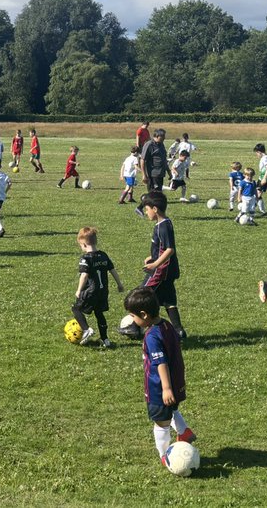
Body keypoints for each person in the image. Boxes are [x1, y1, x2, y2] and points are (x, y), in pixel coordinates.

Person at [123, 287, 197, 466]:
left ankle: (165, 456)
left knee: (161, 422)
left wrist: (165, 388)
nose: (132, 320)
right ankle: (184, 431)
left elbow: (160, 362)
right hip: (177, 379)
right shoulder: (166, 325)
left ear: (144, 314)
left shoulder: (152, 336)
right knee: (171, 409)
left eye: (133, 316)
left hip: (159, 388)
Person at [139, 191, 187, 338]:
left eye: (147, 209)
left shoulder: (163, 227)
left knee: (141, 295)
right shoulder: (165, 223)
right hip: (168, 269)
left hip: (161, 270)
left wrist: (155, 265)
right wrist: (152, 257)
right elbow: (162, 248)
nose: (146, 213)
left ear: (155, 209)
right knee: (168, 299)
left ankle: (136, 327)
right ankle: (178, 331)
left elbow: (169, 249)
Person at [72, 227, 125, 347]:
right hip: (103, 291)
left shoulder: (85, 259)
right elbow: (112, 270)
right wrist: (119, 284)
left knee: (76, 309)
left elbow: (84, 275)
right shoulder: (103, 255)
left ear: (84, 244)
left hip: (91, 291)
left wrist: (79, 290)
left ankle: (86, 329)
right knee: (99, 313)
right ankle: (105, 339)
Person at [140, 129, 170, 194]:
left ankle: (156, 202)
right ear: (157, 136)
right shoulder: (149, 145)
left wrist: (169, 172)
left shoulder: (161, 144)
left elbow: (164, 159)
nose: (164, 138)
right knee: (153, 192)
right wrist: (144, 175)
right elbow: (142, 160)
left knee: (159, 191)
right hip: (153, 173)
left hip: (161, 173)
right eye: (163, 136)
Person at [255, 143, 267, 216]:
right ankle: (262, 211)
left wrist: (264, 178)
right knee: (257, 193)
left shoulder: (265, 158)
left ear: (259, 152)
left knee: (258, 194)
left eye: (256, 153)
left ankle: (253, 209)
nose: (256, 155)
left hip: (264, 178)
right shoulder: (265, 157)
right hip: (261, 177)